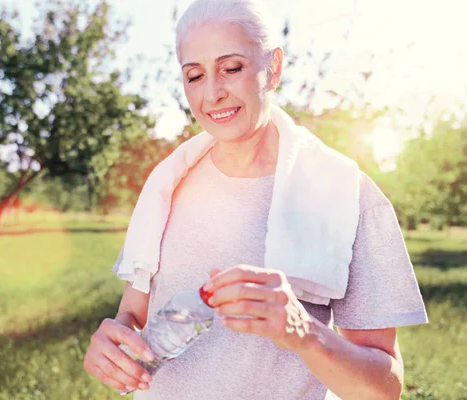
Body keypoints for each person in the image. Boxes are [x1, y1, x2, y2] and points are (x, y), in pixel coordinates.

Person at [83, 0, 428, 399]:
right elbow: (134, 318)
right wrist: (112, 346)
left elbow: (384, 389)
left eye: (232, 68)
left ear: (274, 68)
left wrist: (303, 332)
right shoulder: (166, 185)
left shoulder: (350, 195)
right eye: (194, 76)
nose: (213, 94)